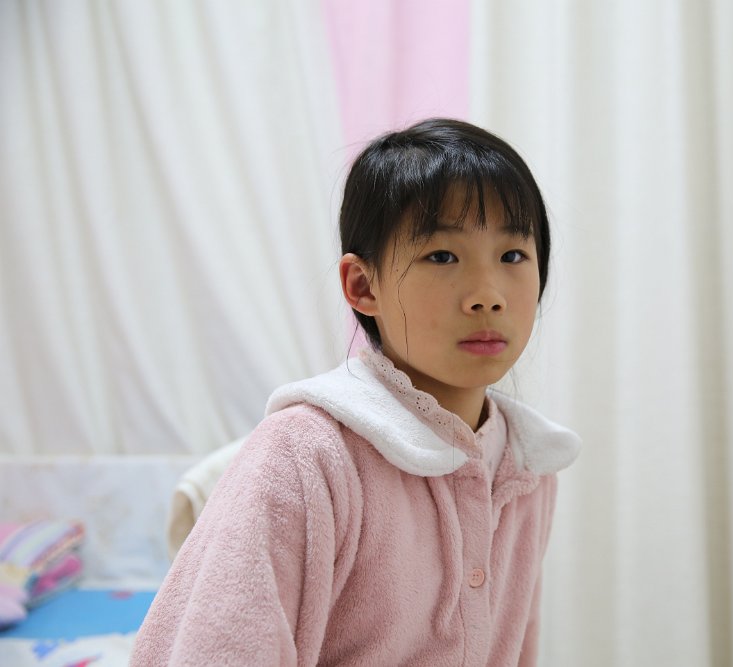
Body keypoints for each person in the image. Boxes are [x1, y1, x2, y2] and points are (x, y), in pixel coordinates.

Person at [130, 118, 581, 666]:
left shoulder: (527, 463)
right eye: (443, 256)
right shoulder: (305, 455)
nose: (487, 296)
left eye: (512, 256)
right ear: (363, 286)